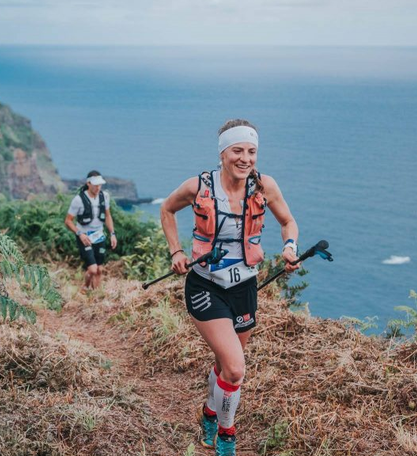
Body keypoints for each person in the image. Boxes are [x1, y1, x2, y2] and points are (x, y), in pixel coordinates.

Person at [160, 119, 300, 455]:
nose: (246, 158)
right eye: (238, 150)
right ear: (223, 153)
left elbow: (288, 222)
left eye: (251, 151)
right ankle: (226, 433)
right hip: (205, 286)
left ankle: (210, 411)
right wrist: (176, 251)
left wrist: (290, 247)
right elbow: (166, 209)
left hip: (245, 288)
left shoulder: (265, 185)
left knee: (227, 365)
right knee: (236, 368)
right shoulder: (198, 186)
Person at [65, 170, 118, 291]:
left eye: (100, 185)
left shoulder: (105, 196)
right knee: (92, 269)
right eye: (95, 185)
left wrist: (112, 234)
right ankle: (86, 286)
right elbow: (68, 221)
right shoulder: (78, 200)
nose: (98, 187)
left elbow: (108, 216)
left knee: (99, 269)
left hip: (99, 235)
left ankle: (96, 295)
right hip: (85, 237)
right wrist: (80, 234)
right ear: (88, 183)